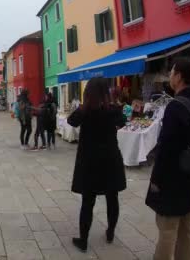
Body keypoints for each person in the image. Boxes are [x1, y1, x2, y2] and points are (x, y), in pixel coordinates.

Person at [146, 58, 190, 260]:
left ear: (179, 77)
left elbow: (166, 149)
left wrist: (156, 181)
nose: (170, 76)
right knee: (187, 228)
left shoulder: (175, 107)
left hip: (173, 179)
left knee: (167, 230)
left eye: (172, 72)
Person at [67, 77, 127, 252]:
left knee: (88, 201)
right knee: (112, 197)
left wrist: (83, 107)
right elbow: (123, 121)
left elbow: (71, 121)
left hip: (90, 161)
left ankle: (83, 240)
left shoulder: (84, 111)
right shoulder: (113, 110)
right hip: (110, 160)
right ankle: (110, 232)